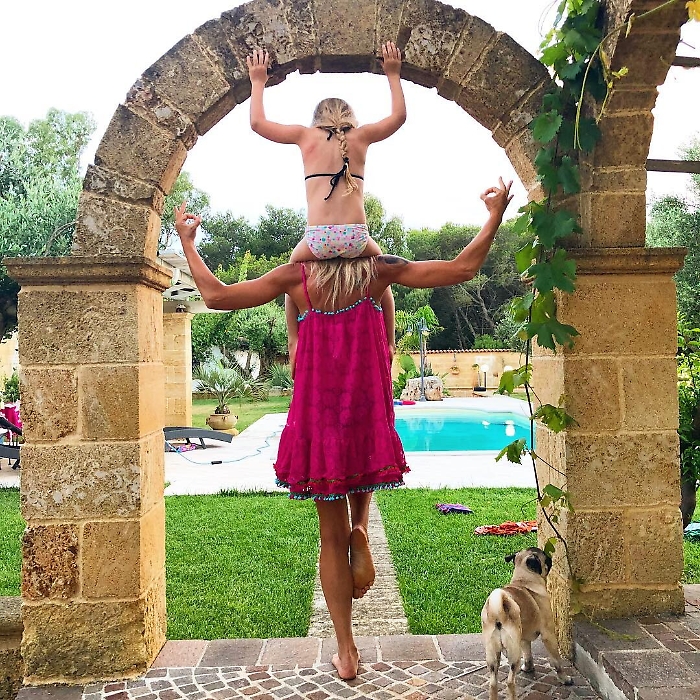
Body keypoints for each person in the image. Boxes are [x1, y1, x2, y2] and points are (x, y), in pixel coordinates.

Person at [174, 177, 513, 681]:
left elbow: (217, 296)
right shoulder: (378, 274)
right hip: (365, 412)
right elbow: (461, 268)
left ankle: (347, 652)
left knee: (328, 540)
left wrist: (187, 241)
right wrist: (494, 215)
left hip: (318, 418)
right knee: (364, 474)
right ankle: (363, 526)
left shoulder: (296, 280)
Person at [247, 42, 406, 370]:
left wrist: (258, 80)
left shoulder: (305, 136)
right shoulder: (361, 137)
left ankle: (294, 340)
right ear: (351, 119)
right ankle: (389, 341)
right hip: (356, 237)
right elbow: (398, 117)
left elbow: (258, 123)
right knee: (384, 278)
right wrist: (393, 73)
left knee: (291, 279)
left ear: (316, 119)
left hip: (317, 239)